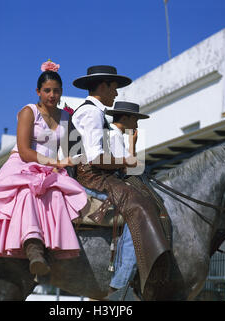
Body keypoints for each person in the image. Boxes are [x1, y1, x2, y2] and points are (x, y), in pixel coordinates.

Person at [0, 60, 87, 277]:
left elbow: (72, 150)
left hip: (49, 170)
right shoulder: (29, 111)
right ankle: (32, 248)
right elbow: (24, 151)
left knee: (59, 195)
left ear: (61, 93)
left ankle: (54, 246)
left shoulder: (66, 117)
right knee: (26, 193)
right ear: (38, 92)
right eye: (47, 90)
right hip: (23, 165)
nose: (52, 95)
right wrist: (57, 163)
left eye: (56, 91)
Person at [72, 65, 172, 299]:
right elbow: (94, 158)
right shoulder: (91, 113)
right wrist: (125, 160)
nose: (116, 94)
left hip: (97, 174)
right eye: (114, 88)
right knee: (139, 208)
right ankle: (120, 284)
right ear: (103, 86)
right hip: (92, 177)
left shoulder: (94, 113)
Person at [105, 101, 149, 295]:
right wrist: (133, 145)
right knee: (138, 218)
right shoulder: (114, 135)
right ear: (126, 118)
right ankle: (121, 280)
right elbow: (129, 169)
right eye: (136, 120)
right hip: (110, 185)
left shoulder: (114, 134)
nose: (137, 125)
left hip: (113, 183)